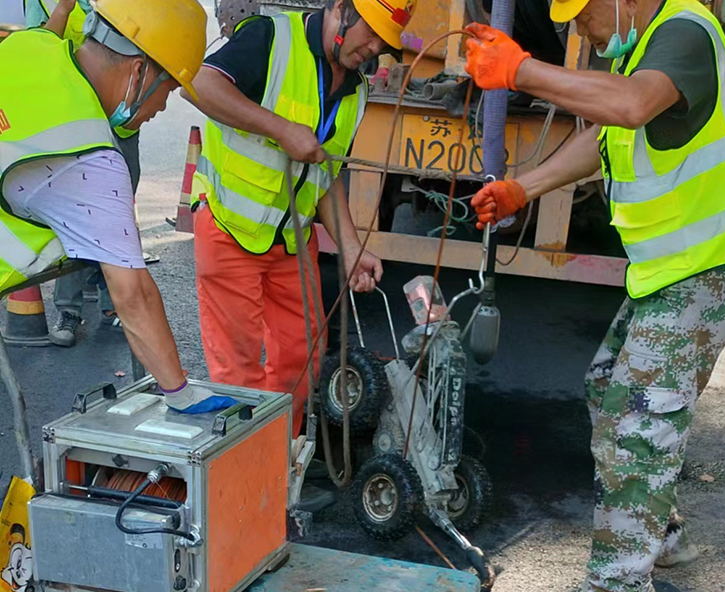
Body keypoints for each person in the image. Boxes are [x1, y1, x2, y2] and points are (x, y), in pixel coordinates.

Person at [463, 0, 725, 590]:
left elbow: (629, 107)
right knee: (609, 387)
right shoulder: (646, 43)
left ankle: (617, 580)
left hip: (708, 264)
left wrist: (521, 71)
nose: (579, 27)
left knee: (637, 423)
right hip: (673, 268)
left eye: (584, 13)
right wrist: (519, 188)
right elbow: (606, 135)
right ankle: (660, 534)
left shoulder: (684, 31)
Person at [182, 0, 416, 437]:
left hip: (291, 240)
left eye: (385, 41)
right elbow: (197, 84)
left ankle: (279, 459)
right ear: (342, 8)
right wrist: (280, 129)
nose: (375, 47)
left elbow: (326, 175)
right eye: (371, 31)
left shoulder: (357, 89)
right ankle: (247, 478)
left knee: (300, 360)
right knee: (240, 374)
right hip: (230, 229)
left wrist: (351, 249)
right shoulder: (271, 39)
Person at [0, 0, 233, 413]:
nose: (162, 108)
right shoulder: (89, 158)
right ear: (139, 69)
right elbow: (134, 295)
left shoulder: (31, 46)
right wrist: (180, 394)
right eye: (167, 88)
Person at [25, 0, 140, 346]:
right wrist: (63, 8)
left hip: (121, 121)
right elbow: (39, 50)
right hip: (74, 118)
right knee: (77, 214)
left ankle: (115, 305)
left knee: (117, 214)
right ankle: (69, 310)